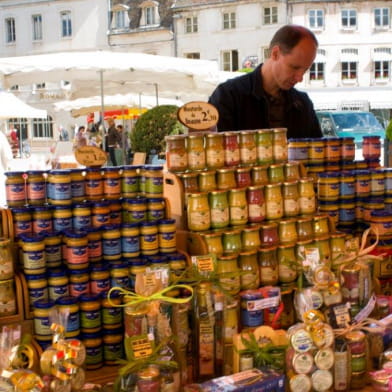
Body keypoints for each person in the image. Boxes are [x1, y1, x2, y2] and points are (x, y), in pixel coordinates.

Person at [208, 24, 322, 139]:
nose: (300, 78)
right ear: (275, 53)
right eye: (294, 67)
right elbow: (215, 151)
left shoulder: (303, 104)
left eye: (305, 69)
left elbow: (317, 152)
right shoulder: (228, 96)